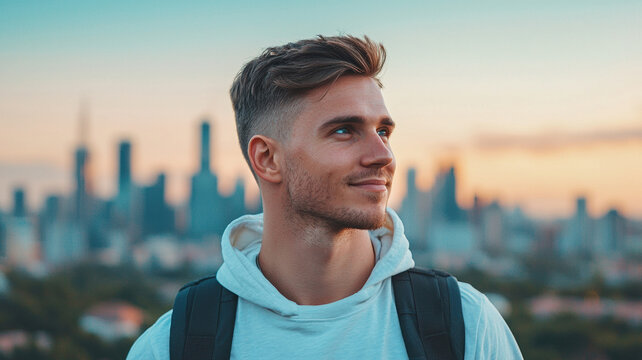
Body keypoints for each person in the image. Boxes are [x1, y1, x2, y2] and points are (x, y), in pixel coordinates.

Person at [127, 35, 523, 359]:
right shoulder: (170, 348)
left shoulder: (465, 326)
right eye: (343, 131)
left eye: (383, 131)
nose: (383, 155)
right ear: (267, 159)